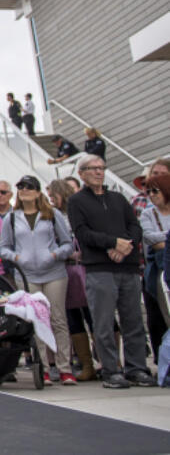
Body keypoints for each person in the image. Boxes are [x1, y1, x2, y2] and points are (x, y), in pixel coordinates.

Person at [67, 154, 156, 388]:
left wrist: (124, 246)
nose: (98, 172)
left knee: (133, 321)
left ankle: (136, 368)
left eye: (101, 167)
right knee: (104, 323)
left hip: (127, 266)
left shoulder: (118, 198)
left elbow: (134, 227)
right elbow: (82, 232)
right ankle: (110, 370)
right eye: (92, 168)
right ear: (81, 173)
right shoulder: (76, 201)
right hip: (99, 269)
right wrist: (112, 243)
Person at [0, 176, 75, 384]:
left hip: (54, 273)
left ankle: (65, 367)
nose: (24, 190)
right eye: (21, 187)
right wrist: (16, 257)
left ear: (38, 191)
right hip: (27, 274)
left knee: (58, 318)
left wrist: (53, 255)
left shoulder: (52, 214)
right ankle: (44, 368)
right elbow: (4, 247)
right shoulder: (12, 218)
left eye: (29, 187)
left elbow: (68, 244)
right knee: (36, 319)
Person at [48, 178, 96, 382]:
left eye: (53, 196)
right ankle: (87, 364)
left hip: (86, 268)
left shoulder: (79, 211)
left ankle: (110, 362)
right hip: (64, 269)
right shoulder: (52, 216)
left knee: (95, 316)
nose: (51, 200)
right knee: (72, 319)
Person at [138, 165, 170, 363]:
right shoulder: (148, 214)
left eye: (155, 190)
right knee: (163, 316)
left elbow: (160, 242)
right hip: (159, 271)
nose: (150, 195)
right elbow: (150, 238)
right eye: (147, 191)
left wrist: (164, 241)